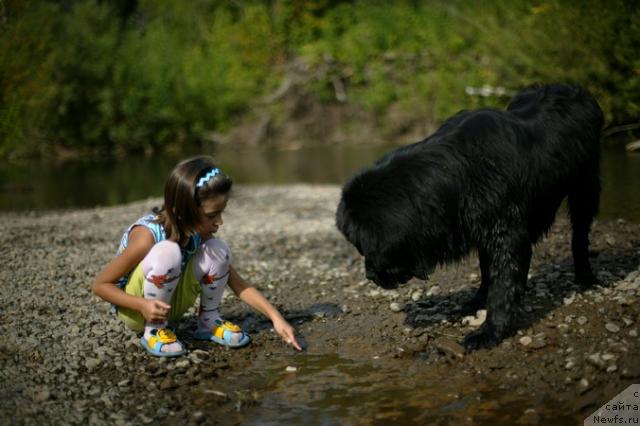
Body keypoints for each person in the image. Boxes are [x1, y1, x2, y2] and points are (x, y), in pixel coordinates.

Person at [92, 155, 302, 357]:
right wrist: (142, 306)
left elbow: (238, 284)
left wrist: (276, 318)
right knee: (168, 252)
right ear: (182, 211)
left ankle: (208, 321)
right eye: (212, 215)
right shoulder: (146, 236)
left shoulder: (195, 235)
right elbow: (101, 285)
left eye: (222, 212)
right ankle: (154, 331)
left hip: (169, 307)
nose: (219, 221)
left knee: (218, 249)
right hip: (138, 310)